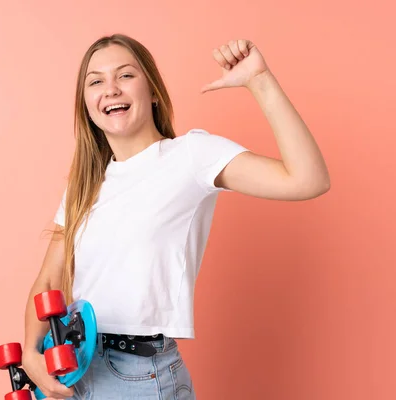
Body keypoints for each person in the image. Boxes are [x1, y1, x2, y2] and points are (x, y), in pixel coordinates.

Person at [20, 33, 330, 399]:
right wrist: (30, 354)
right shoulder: (85, 185)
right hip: (76, 368)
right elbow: (49, 280)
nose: (112, 89)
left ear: (152, 91)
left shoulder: (191, 155)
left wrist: (259, 81)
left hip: (137, 377)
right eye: (97, 81)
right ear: (86, 103)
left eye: (126, 75)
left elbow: (308, 179)